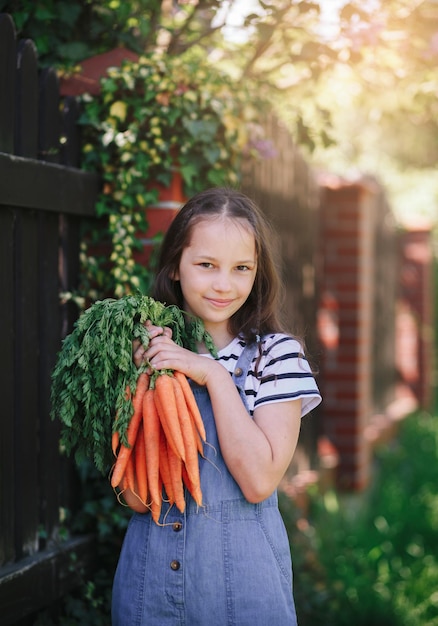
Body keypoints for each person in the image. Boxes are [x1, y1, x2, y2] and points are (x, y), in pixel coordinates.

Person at [111, 187, 322, 626]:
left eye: (241, 268)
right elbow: (134, 498)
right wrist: (142, 385)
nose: (224, 284)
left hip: (242, 594)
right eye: (206, 265)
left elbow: (259, 480)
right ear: (175, 266)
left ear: (257, 273)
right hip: (147, 592)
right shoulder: (150, 354)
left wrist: (211, 374)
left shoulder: (275, 356)